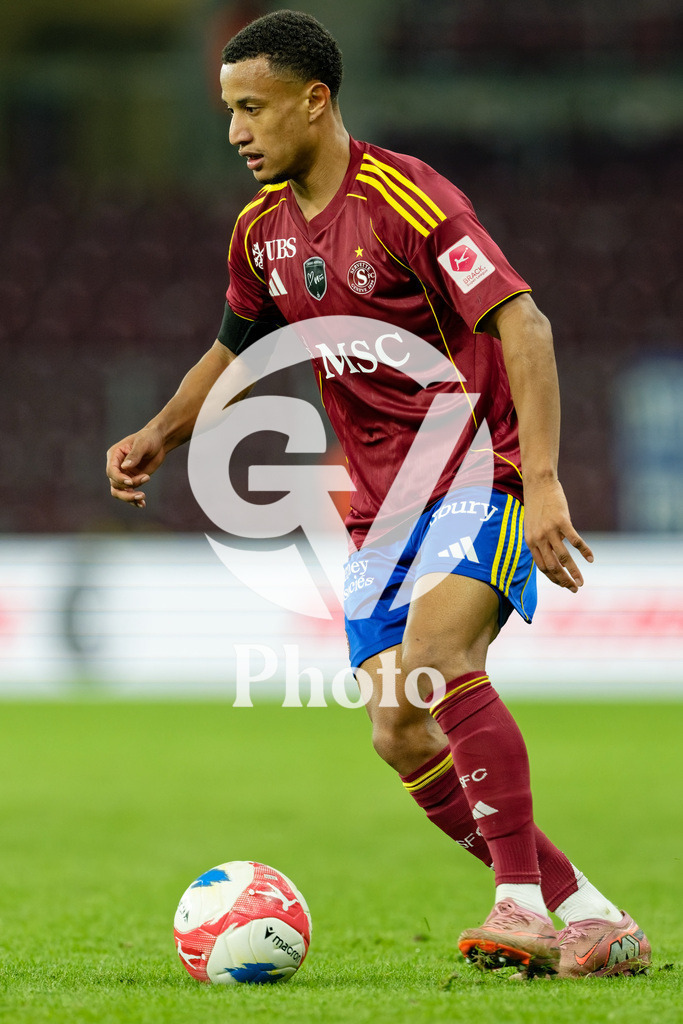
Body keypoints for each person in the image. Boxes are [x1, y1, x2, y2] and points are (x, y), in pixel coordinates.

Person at [106, 9, 650, 979]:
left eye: (251, 108)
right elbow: (229, 352)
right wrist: (157, 433)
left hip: (477, 468)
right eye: (227, 109)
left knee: (438, 658)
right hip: (376, 514)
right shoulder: (259, 233)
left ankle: (519, 903)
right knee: (400, 731)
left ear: (314, 101)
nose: (234, 130)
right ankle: (586, 910)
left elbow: (524, 326)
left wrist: (547, 478)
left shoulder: (407, 200)